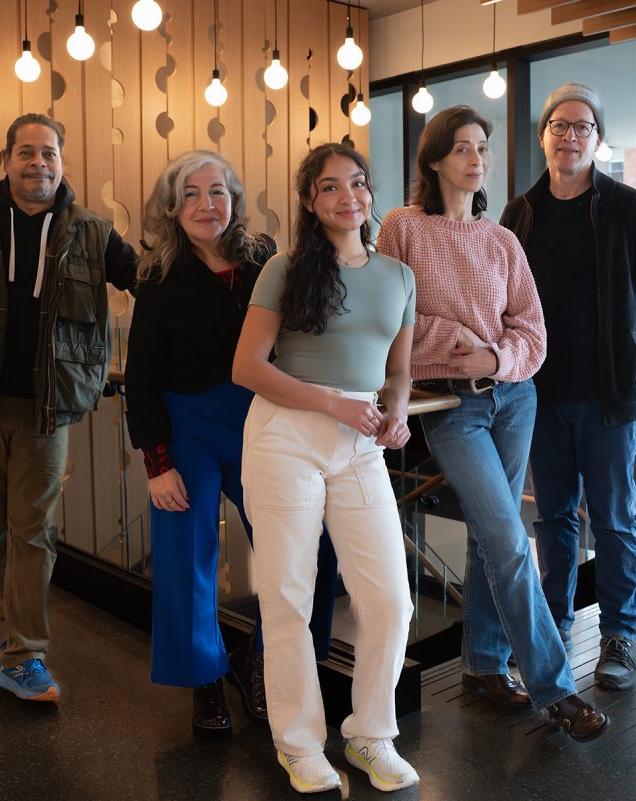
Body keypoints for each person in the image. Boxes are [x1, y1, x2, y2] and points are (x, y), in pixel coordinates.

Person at [377, 105, 609, 741]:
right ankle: (556, 686)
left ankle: (481, 664)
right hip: (452, 407)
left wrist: (496, 355)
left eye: (483, 148)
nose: (477, 160)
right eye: (463, 149)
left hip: (514, 398)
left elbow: (533, 331)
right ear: (434, 160)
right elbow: (383, 317)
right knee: (509, 537)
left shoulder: (502, 239)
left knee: (491, 536)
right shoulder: (402, 228)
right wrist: (458, 339)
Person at [0, 112, 139, 702]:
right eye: (25, 152)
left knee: (34, 532)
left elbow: (149, 284)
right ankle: (17, 634)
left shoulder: (93, 231)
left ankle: (24, 654)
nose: (37, 162)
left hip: (46, 410)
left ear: (62, 162)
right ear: (7, 160)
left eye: (48, 153)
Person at [123, 150, 338, 737]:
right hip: (185, 423)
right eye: (190, 194)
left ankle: (262, 663)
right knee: (186, 556)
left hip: (260, 421)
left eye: (217, 192)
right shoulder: (157, 276)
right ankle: (205, 683)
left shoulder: (264, 259)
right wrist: (158, 464)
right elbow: (140, 379)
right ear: (172, 206)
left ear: (234, 201)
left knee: (306, 545)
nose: (205, 204)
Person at [232, 143, 418, 794]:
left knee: (391, 601)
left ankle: (369, 734)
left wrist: (397, 414)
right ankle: (300, 743)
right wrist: (332, 402)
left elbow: (399, 370)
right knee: (288, 595)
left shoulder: (398, 276)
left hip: (361, 441)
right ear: (311, 202)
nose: (349, 197)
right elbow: (248, 367)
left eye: (359, 184)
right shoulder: (286, 269)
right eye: (331, 187)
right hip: (286, 432)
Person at [499, 83, 636, 691]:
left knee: (615, 520)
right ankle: (552, 633)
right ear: (544, 135)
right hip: (537, 396)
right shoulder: (518, 214)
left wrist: (629, 350)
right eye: (559, 125)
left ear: (597, 140)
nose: (569, 136)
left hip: (609, 398)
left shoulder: (626, 207)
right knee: (551, 519)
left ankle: (619, 637)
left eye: (582, 127)